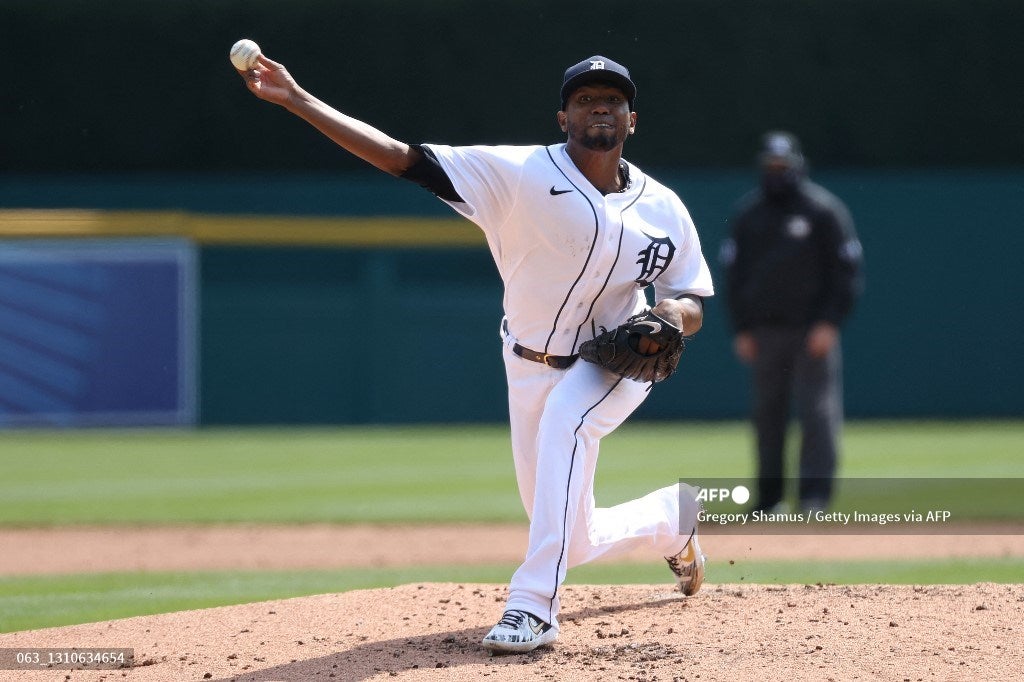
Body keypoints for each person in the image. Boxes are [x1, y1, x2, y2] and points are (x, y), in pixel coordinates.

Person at [236, 51, 714, 653]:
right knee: (570, 529)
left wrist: (670, 317)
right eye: (586, 98)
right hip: (527, 363)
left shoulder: (663, 206)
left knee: (569, 421)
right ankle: (673, 517)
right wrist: (300, 100)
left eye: (613, 99)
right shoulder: (514, 173)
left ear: (632, 120)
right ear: (562, 118)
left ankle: (533, 606)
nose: (601, 106)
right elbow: (402, 158)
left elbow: (691, 295)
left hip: (618, 361)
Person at [720, 131, 863, 515]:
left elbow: (847, 273)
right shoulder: (749, 215)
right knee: (768, 416)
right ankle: (769, 500)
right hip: (765, 332)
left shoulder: (823, 211)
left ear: (798, 166)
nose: (777, 173)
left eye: (783, 167)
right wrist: (742, 329)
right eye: (771, 167)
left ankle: (815, 499)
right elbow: (734, 277)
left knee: (818, 414)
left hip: (811, 330)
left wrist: (829, 322)